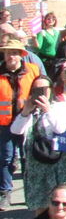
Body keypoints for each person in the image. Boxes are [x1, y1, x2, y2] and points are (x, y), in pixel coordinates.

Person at [11, 77, 66, 216]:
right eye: (36, 89)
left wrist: (47, 110)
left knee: (62, 203)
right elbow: (16, 130)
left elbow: (61, 129)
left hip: (59, 163)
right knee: (41, 204)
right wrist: (25, 112)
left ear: (51, 90)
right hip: (36, 165)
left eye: (44, 89)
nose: (41, 92)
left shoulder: (61, 107)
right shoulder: (29, 109)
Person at [0, 35, 38, 210]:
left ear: (21, 55)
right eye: (8, 53)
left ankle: (30, 193)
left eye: (15, 53)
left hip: (26, 119)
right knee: (6, 158)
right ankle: (5, 192)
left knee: (26, 158)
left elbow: (43, 88)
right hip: (4, 123)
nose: (11, 56)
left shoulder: (33, 70)